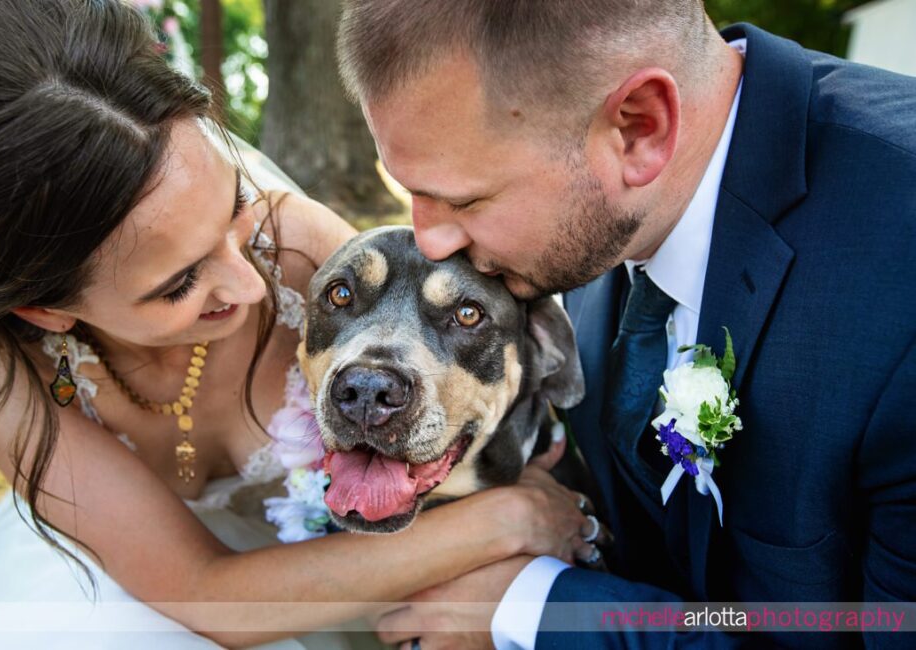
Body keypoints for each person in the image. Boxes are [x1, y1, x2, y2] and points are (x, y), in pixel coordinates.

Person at [0, 1, 598, 648]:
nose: (253, 283)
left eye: (235, 207)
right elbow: (198, 592)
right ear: (45, 310)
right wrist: (506, 520)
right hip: (132, 584)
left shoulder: (300, 248)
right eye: (179, 283)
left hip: (350, 572)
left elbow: (452, 415)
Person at [338, 0, 916, 648]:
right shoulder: (587, 220)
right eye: (408, 189)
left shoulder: (899, 294)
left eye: (463, 199)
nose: (429, 241)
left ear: (639, 128)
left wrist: (535, 606)